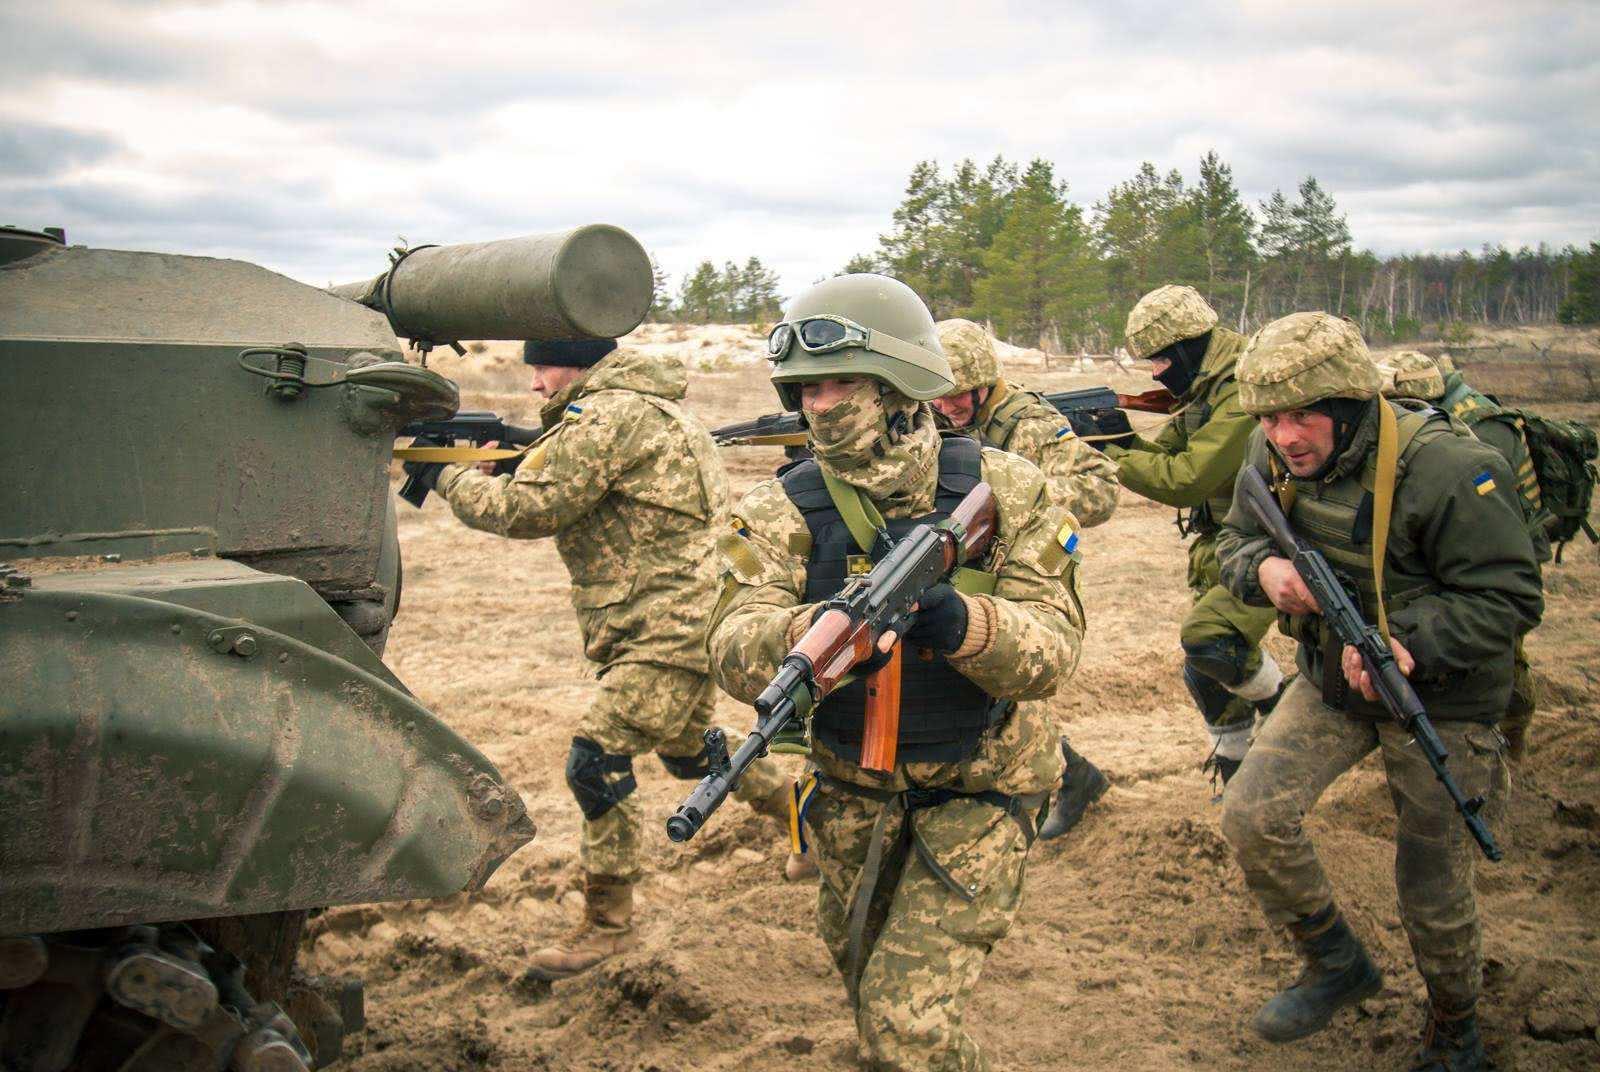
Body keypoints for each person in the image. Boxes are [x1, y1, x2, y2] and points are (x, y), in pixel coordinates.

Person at [707, 274, 1083, 1071]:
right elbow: (729, 644)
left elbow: (1055, 650)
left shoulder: (1006, 488)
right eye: (806, 389)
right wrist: (810, 632)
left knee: (904, 1026)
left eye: (840, 383)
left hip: (984, 784)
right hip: (850, 787)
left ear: (899, 385)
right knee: (866, 990)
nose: (819, 406)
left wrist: (962, 623)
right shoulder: (778, 508)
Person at [402, 336, 801, 982]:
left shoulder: (608, 415)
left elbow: (524, 510)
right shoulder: (650, 407)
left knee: (596, 758)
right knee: (689, 752)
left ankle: (608, 925)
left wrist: (440, 472)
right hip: (683, 618)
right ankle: (808, 820)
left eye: (544, 366)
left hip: (664, 628)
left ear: (581, 363)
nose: (535, 383)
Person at [1215, 313, 1542, 1071]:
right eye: (1269, 417)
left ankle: (1454, 1028)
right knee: (1252, 815)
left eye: (1303, 416)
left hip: (1444, 697)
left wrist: (1409, 642)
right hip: (1334, 677)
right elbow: (1234, 539)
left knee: (1431, 881)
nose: (1284, 436)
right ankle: (1335, 963)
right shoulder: (1270, 454)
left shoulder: (1448, 467)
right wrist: (1263, 571)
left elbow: (1511, 596)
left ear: (1349, 402)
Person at [933, 317, 1117, 838]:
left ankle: (1065, 779)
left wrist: (1011, 499)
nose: (947, 407)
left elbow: (1099, 488)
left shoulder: (1028, 424)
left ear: (984, 384)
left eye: (958, 396)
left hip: (1028, 570)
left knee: (1009, 683)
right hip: (975, 570)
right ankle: (1070, 776)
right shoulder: (940, 415)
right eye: (939, 395)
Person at [1101, 285, 1289, 787]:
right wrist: (1116, 435)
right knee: (1206, 670)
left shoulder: (1241, 390)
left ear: (1185, 348)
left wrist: (1110, 453)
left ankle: (1285, 705)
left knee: (1214, 646)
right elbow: (1165, 455)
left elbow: (1186, 480)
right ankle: (1235, 769)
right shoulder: (1205, 386)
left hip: (1268, 542)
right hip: (1224, 543)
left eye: (1160, 361)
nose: (1155, 373)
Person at [1386, 350, 1550, 761]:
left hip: (1505, 546)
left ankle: (1512, 737)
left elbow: (1499, 517)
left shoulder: (1476, 432)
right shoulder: (1427, 432)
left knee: (1503, 654)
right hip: (1459, 546)